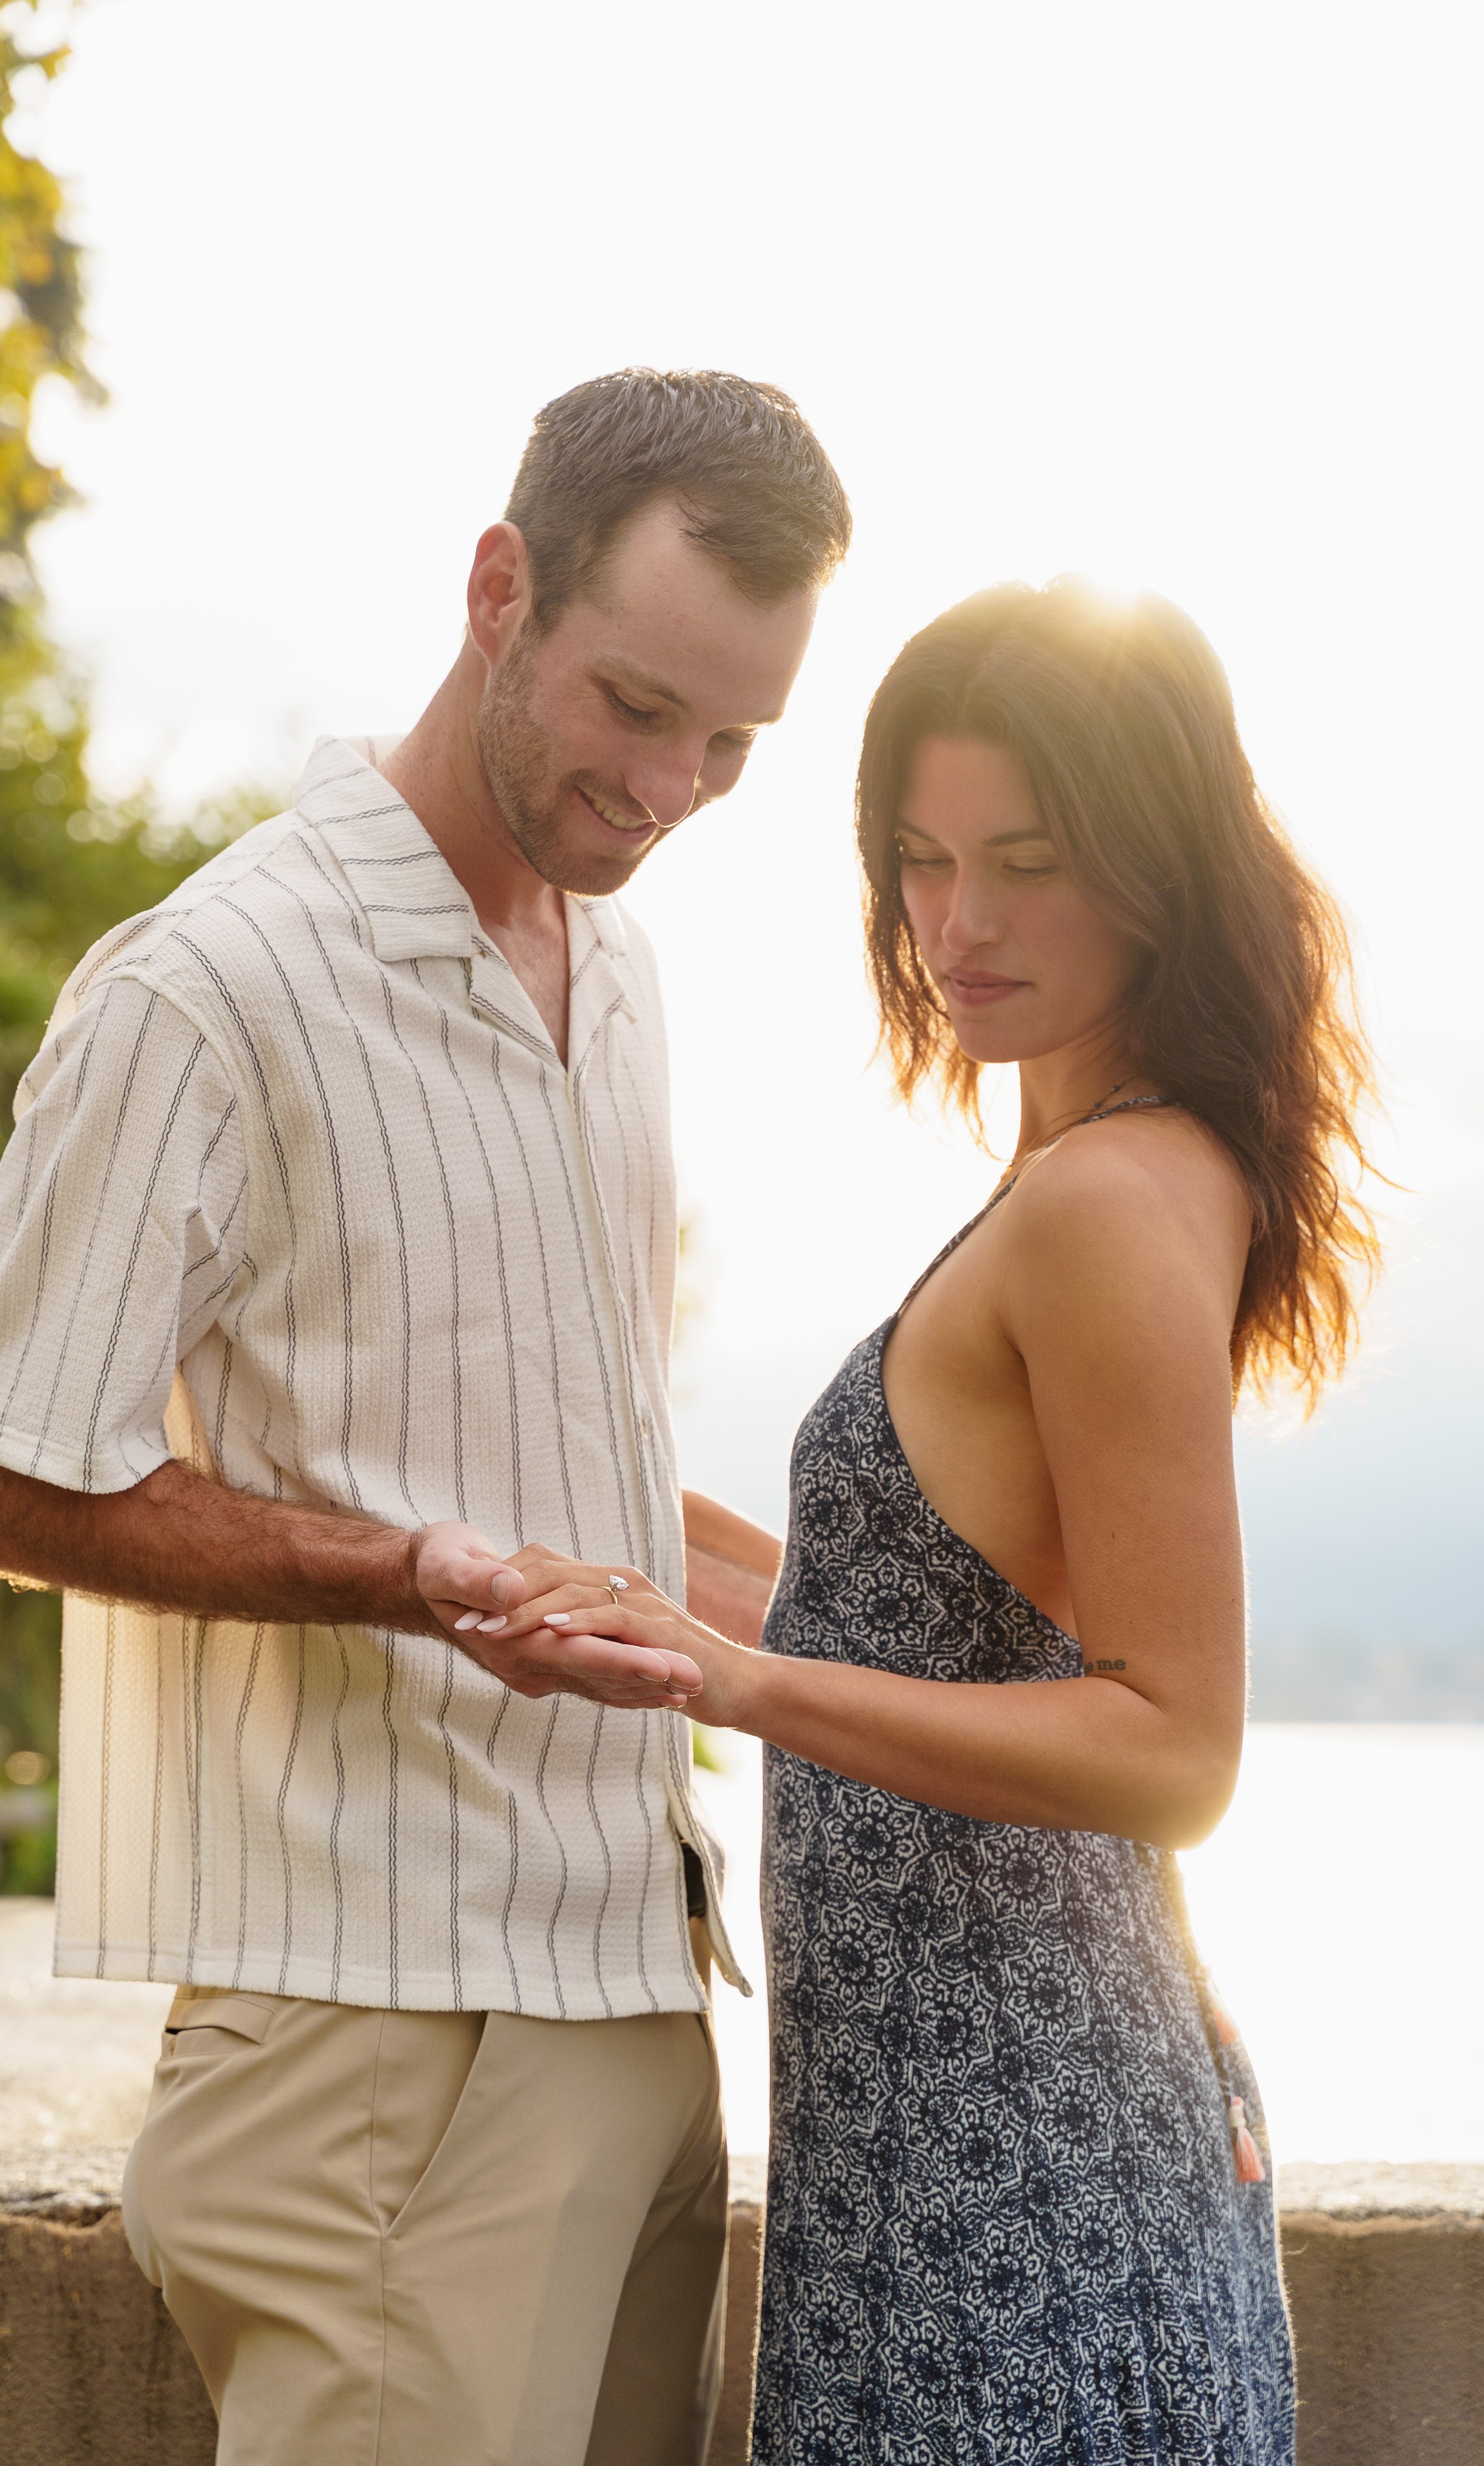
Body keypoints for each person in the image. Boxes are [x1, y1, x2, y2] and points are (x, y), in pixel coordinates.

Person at [0, 368, 847, 2466]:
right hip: (374, 2040)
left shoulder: (619, 981)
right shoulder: (205, 989)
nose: (672, 784)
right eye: (634, 706)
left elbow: (560, 1475)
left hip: (637, 1981)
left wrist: (883, 1632)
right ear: (498, 588)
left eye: (732, 741)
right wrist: (401, 1578)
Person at [491, 579, 1379, 2462]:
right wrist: (606, 1530)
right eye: (916, 861)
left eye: (1025, 862)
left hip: (1017, 2182)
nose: (958, 926)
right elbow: (918, 1606)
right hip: (945, 2155)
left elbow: (1171, 1745)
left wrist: (728, 1685)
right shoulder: (1078, 1168)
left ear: (1151, 868)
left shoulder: (1105, 1206)